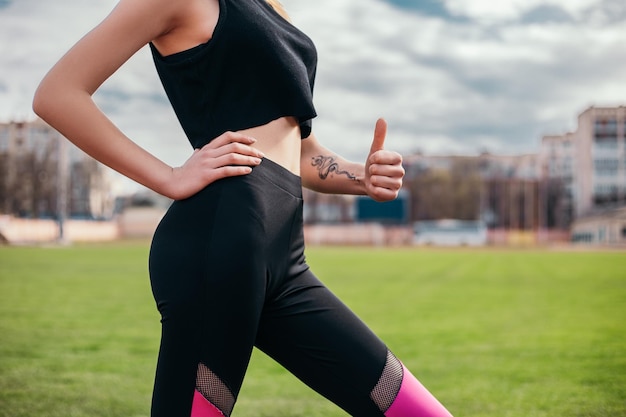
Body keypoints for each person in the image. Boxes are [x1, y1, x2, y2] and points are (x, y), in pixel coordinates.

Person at [33, 0, 454, 416]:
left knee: (406, 406)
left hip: (285, 259)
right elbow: (58, 94)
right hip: (218, 242)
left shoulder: (273, 8)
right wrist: (169, 176)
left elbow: (302, 152)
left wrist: (363, 177)